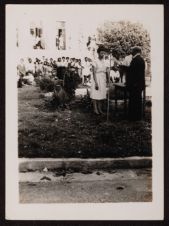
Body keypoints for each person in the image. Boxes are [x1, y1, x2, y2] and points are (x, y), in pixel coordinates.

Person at [126, 46, 145, 121]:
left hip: (135, 84)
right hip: (138, 84)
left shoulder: (136, 60)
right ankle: (137, 116)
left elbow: (134, 73)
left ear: (135, 52)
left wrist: (133, 83)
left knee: (134, 101)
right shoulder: (141, 59)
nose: (131, 53)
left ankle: (133, 117)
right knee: (137, 100)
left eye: (132, 51)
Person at [90, 46, 109, 115]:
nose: (103, 55)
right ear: (98, 53)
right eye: (101, 53)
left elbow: (107, 71)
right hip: (97, 77)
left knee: (101, 94)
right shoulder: (95, 61)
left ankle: (100, 109)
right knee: (95, 93)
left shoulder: (105, 62)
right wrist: (96, 83)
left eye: (104, 53)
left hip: (103, 78)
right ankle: (95, 109)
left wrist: (108, 80)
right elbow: (94, 72)